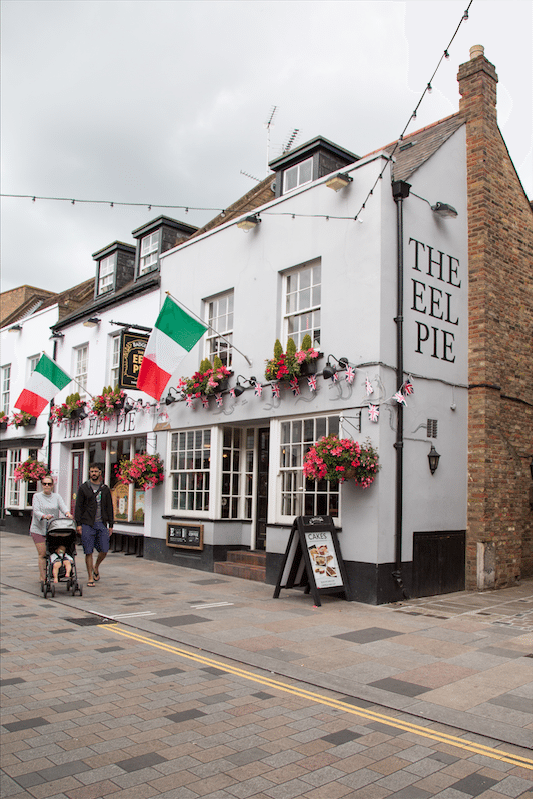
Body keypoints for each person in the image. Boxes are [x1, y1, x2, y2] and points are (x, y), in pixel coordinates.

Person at [74, 464, 114, 587]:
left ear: (100, 473)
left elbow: (109, 507)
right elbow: (78, 507)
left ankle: (96, 567)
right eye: (91, 471)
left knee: (104, 549)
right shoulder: (84, 488)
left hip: (101, 523)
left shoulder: (105, 489)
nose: (93, 473)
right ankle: (90, 577)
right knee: (88, 551)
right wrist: (78, 524)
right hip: (87, 523)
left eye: (96, 471)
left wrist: (111, 524)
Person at [30, 477, 73, 587]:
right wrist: (44, 516)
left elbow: (62, 506)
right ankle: (43, 577)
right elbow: (36, 510)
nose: (47, 486)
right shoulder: (37, 496)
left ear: (52, 485)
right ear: (42, 485)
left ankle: (56, 572)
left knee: (54, 550)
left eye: (49, 484)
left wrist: (67, 513)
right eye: (44, 484)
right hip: (38, 529)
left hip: (52, 529)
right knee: (43, 553)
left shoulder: (56, 496)